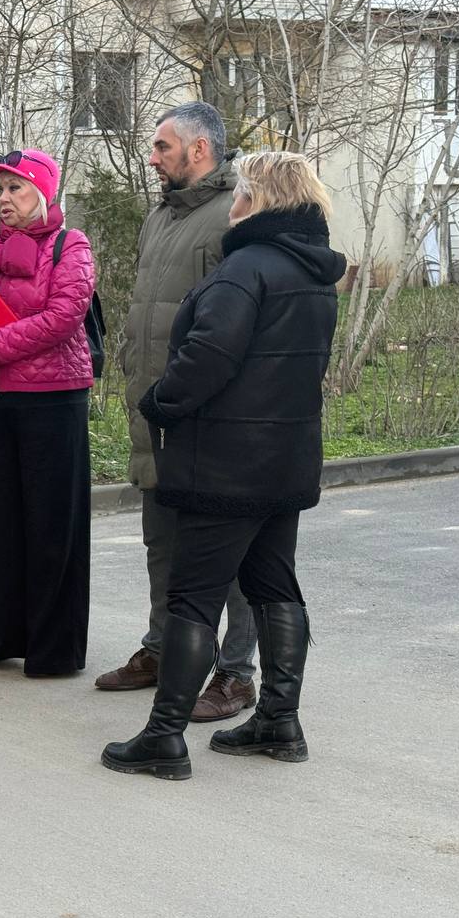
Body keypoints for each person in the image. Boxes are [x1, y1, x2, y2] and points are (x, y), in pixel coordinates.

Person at [101, 151, 345, 780]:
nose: (232, 201)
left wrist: (160, 403)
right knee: (274, 587)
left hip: (223, 465)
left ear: (257, 200)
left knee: (193, 599)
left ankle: (164, 738)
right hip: (285, 463)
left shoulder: (245, 270)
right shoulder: (313, 273)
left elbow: (209, 355)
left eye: (240, 191)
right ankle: (279, 720)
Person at [94, 102, 259, 722]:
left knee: (232, 554)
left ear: (198, 150)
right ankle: (164, 649)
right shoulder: (159, 216)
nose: (153, 156)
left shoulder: (239, 213)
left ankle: (236, 674)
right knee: (161, 542)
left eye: (162, 146)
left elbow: (240, 322)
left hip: (211, 418)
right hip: (155, 412)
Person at [0, 148, 94, 676]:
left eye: (15, 188)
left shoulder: (69, 246)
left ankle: (53, 650)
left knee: (53, 525)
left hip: (53, 403)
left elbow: (62, 317)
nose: (3, 199)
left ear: (42, 192)